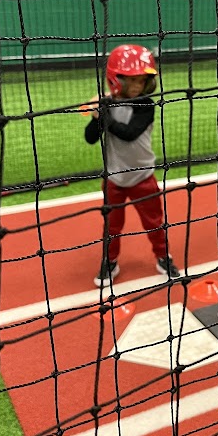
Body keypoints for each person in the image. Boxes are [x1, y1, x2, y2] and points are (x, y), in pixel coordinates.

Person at [84, 44, 181, 286]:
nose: (138, 86)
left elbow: (129, 133)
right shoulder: (108, 104)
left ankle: (162, 256)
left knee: (154, 222)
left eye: (141, 81)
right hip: (114, 179)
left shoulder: (146, 106)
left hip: (143, 177)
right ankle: (110, 261)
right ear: (116, 80)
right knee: (112, 226)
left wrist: (102, 114)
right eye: (132, 81)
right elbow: (90, 138)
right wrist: (98, 112)